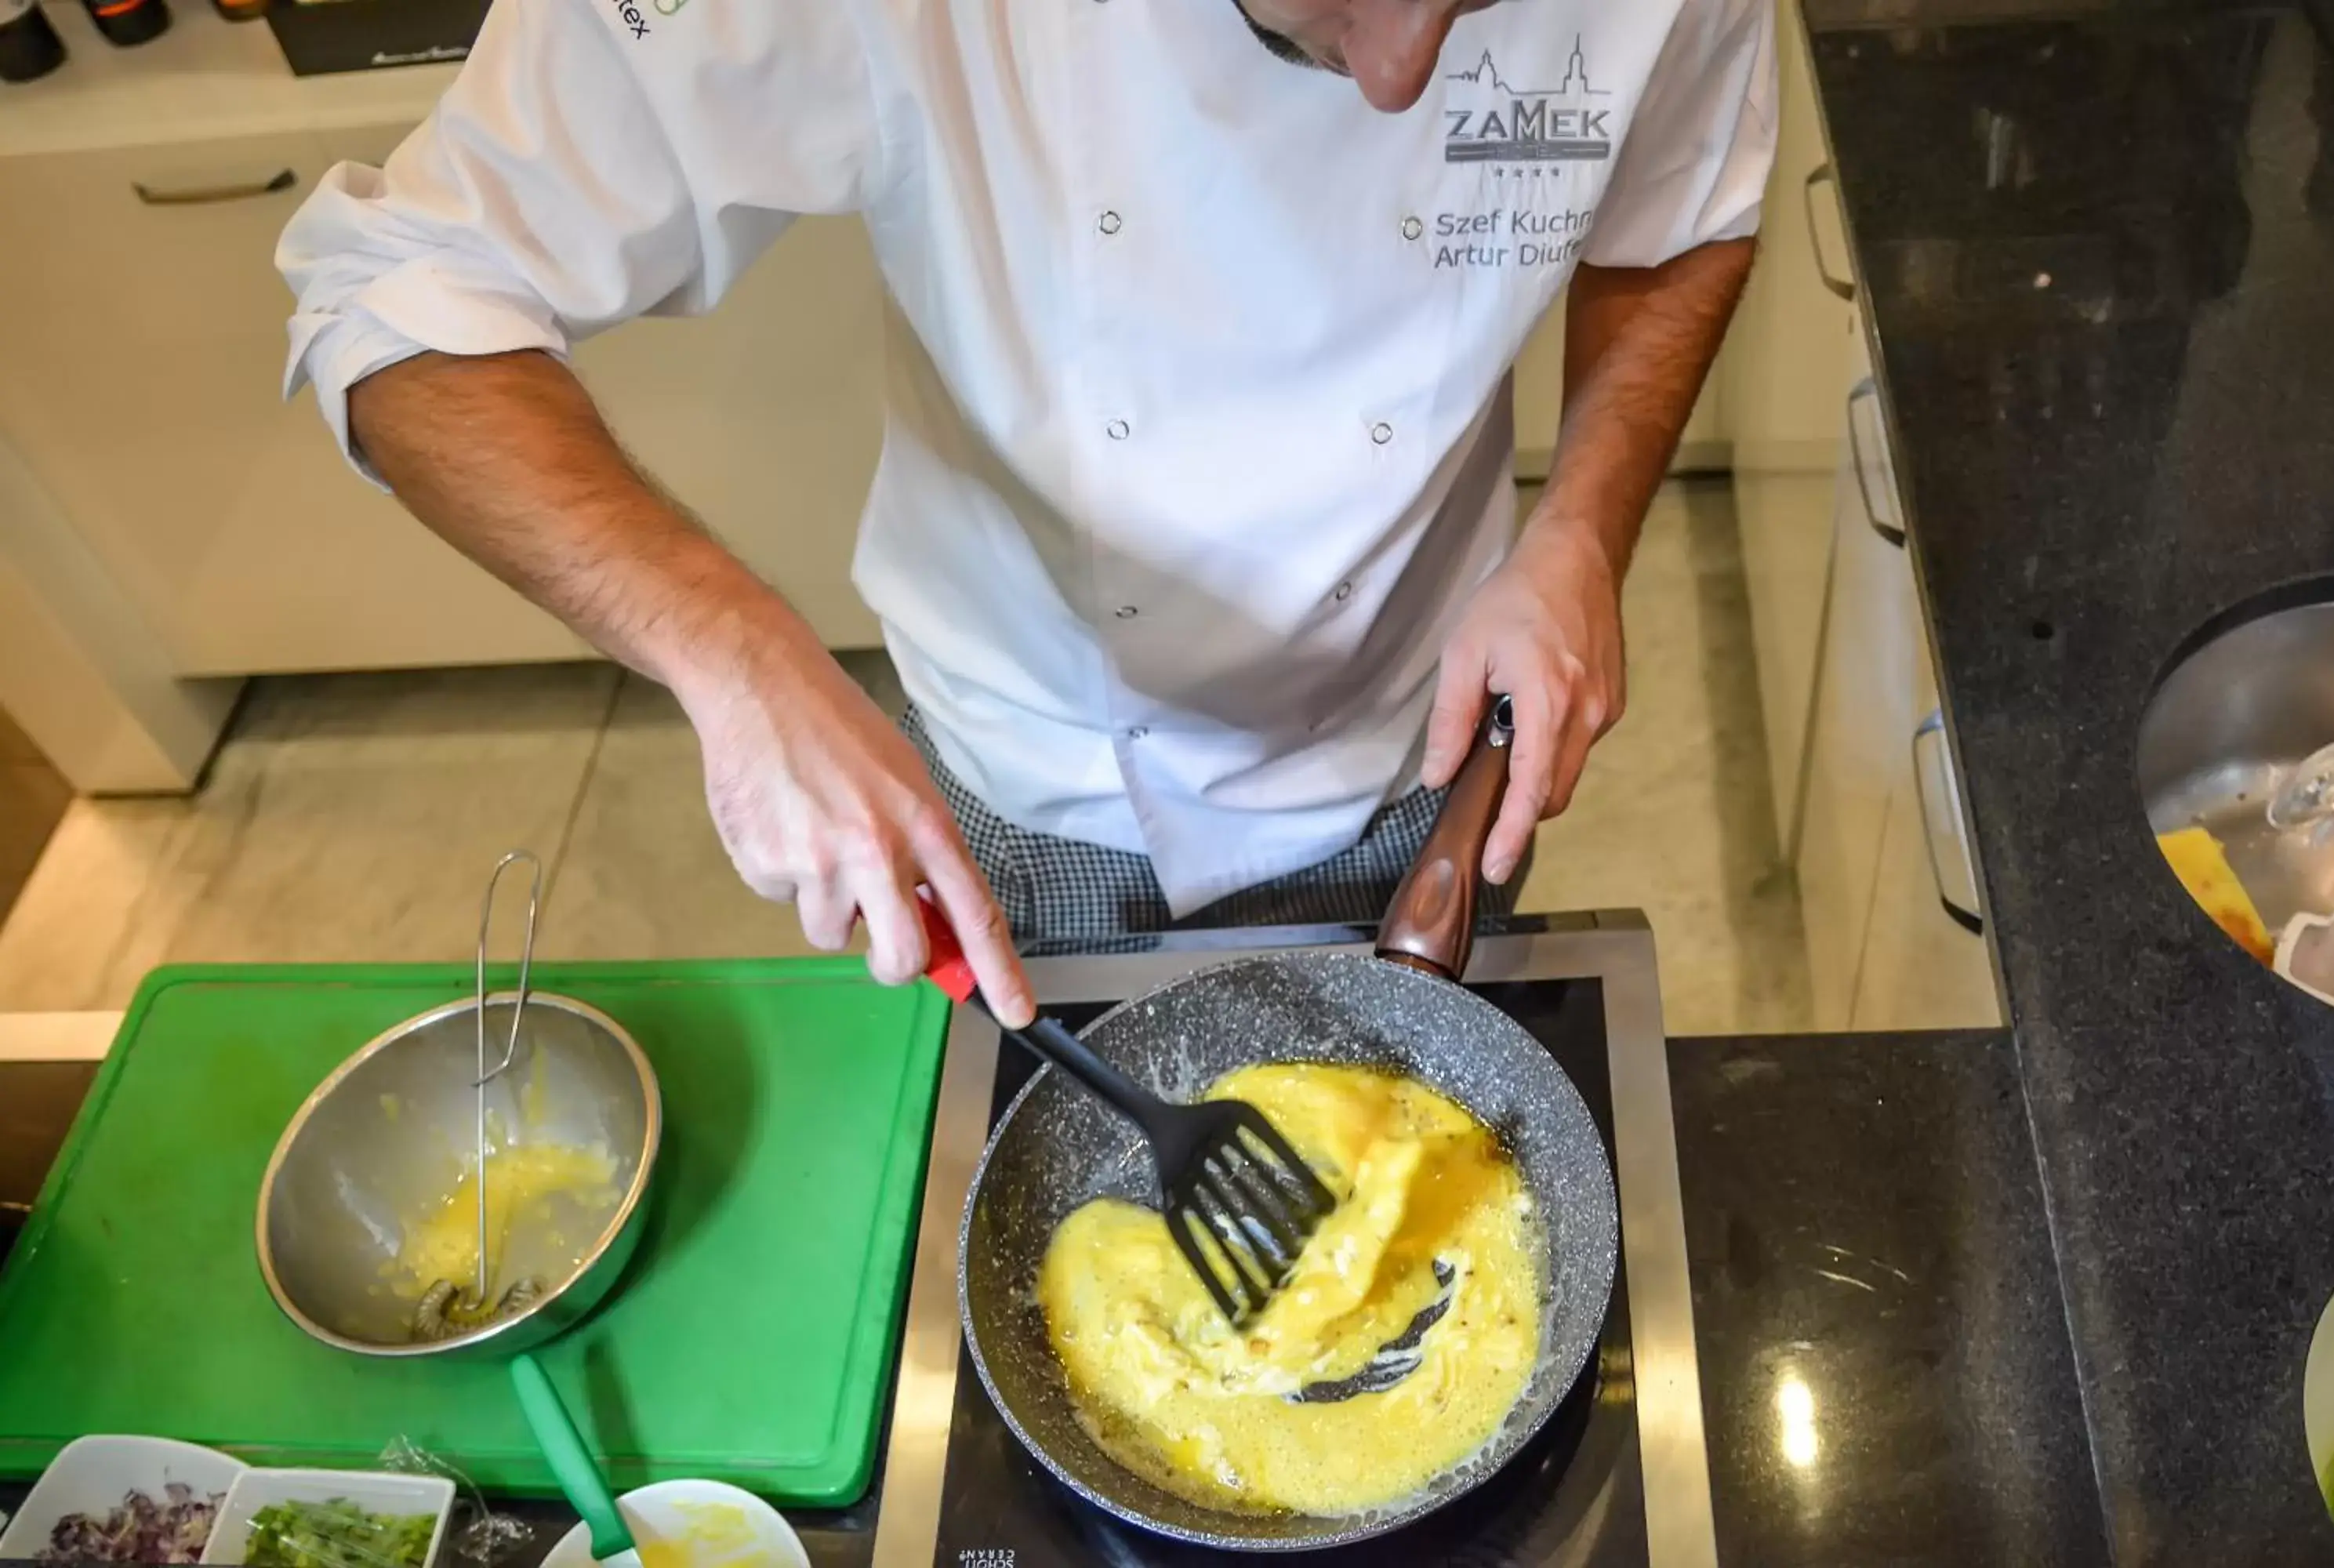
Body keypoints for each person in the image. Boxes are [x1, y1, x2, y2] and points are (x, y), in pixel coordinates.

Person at [278, 0, 1775, 1028]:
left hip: (1430, 734)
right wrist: (734, 654)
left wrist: (1579, 530)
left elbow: (1686, 205)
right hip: (1032, 768)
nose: (1397, 78)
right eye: (1318, 3)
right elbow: (394, 299)